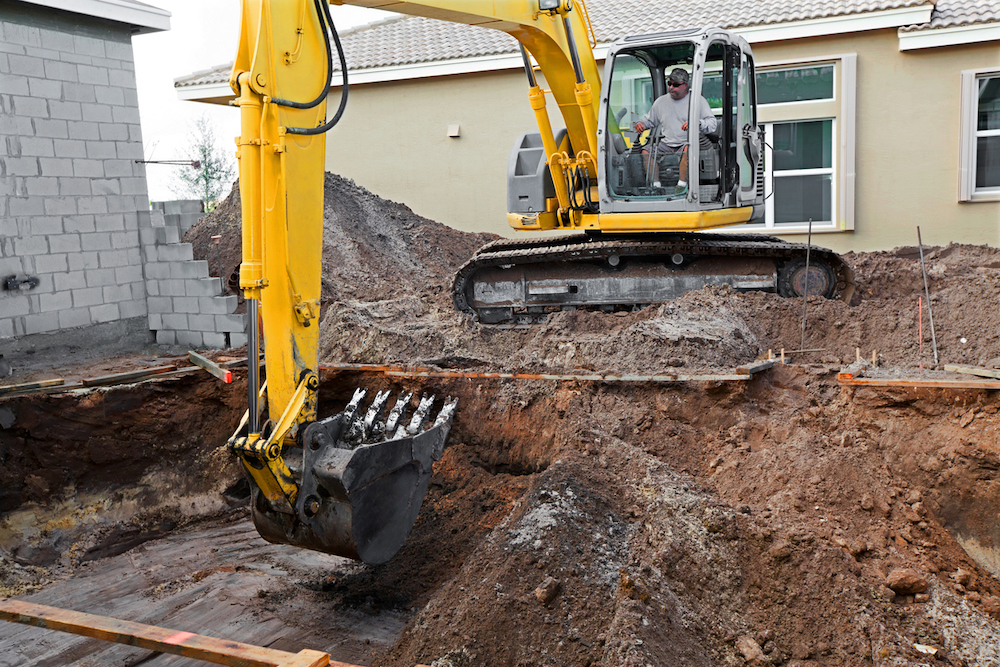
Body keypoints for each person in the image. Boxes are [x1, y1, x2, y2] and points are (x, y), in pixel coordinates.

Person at [634, 68, 717, 195]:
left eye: (676, 85)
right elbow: (650, 120)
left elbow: (712, 124)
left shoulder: (697, 101)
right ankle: (655, 187)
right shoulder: (661, 102)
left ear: (686, 85)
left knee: (687, 148)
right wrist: (641, 124)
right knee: (646, 151)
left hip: (687, 142)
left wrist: (697, 123)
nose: (671, 87)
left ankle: (681, 187)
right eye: (669, 84)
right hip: (667, 144)